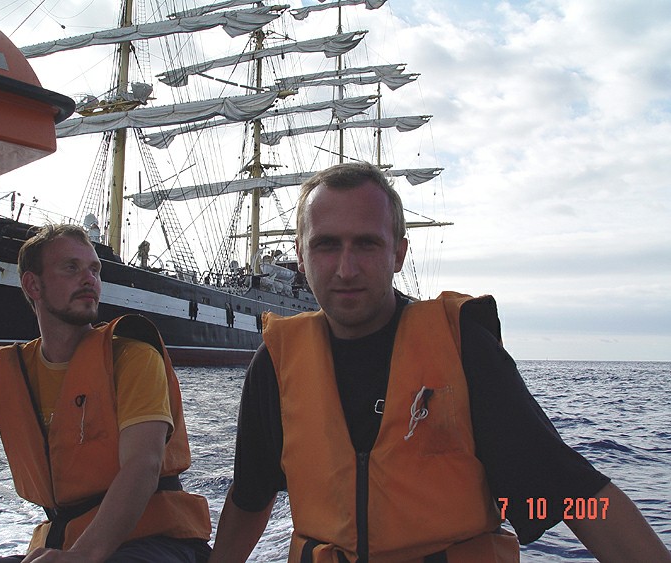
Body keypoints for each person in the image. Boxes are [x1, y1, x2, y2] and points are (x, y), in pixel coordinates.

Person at [209, 162, 671, 562]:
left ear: (399, 254)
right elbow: (251, 497)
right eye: (326, 245)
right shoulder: (277, 364)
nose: (346, 269)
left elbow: (573, 494)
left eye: (366, 244)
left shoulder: (461, 349)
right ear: (300, 255)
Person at [0, 224, 212, 562]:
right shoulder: (9, 371)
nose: (89, 279)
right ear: (33, 285)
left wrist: (84, 555)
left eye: (94, 270)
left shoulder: (132, 356)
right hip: (68, 544)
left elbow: (143, 465)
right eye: (71, 268)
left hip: (158, 541)